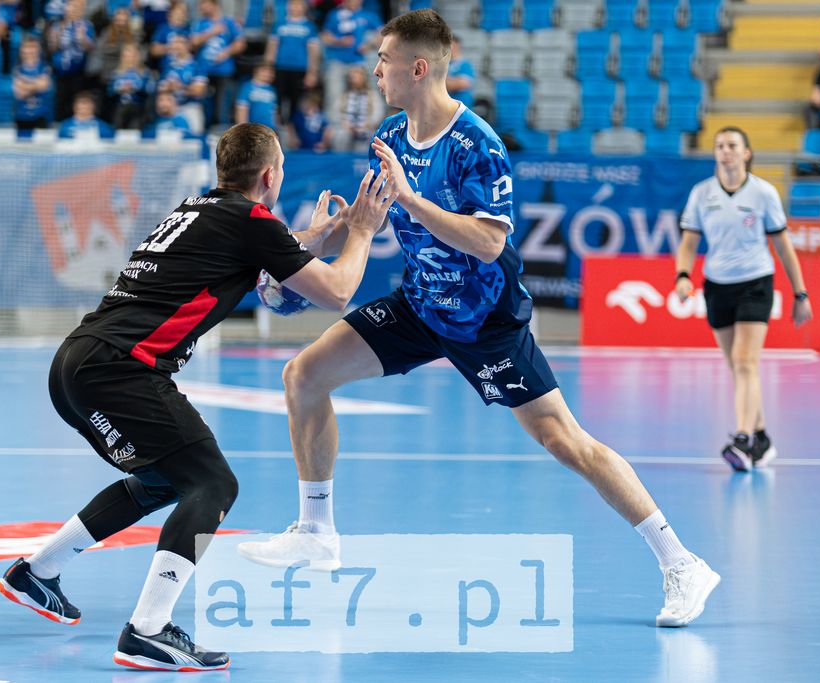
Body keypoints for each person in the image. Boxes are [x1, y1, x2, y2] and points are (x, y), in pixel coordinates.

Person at [236, 9, 720, 629]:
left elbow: (490, 243)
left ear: (418, 67)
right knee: (304, 375)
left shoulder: (477, 144)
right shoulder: (389, 133)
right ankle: (316, 532)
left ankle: (681, 562)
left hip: (486, 319)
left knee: (564, 440)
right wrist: (316, 238)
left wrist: (413, 200)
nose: (375, 70)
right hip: (420, 304)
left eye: (384, 59)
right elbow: (369, 218)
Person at [0, 122, 396, 671]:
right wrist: (363, 231)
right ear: (270, 176)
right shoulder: (251, 222)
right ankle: (147, 631)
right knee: (213, 484)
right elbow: (337, 292)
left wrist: (319, 238)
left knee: (163, 480)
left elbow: (270, 252)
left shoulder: (198, 210)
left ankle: (37, 572)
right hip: (122, 370)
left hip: (78, 363)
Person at [674, 126, 813, 472]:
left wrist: (800, 293)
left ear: (746, 153)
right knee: (738, 366)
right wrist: (683, 275)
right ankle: (762, 437)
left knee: (745, 360)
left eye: (732, 145)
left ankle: (743, 439)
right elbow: (689, 242)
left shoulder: (764, 193)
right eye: (720, 145)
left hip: (755, 282)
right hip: (717, 285)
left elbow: (783, 247)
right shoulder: (701, 193)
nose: (725, 151)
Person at [264, 0, 321, 124]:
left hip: (300, 69)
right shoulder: (279, 24)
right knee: (277, 100)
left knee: (296, 102)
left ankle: (293, 129)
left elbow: (313, 52)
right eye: (292, 4)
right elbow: (272, 47)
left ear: (304, 7)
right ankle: (276, 127)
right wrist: (268, 67)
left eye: (299, 5)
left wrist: (312, 72)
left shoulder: (310, 27)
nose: (295, 7)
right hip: (280, 67)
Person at [191, 0, 246, 127]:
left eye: (204, 4)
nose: (201, 7)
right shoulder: (200, 23)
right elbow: (193, 42)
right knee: (205, 107)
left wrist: (226, 52)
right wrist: (212, 32)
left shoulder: (229, 22)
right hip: (203, 73)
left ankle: (222, 133)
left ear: (214, 4)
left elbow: (241, 43)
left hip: (223, 71)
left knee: (222, 107)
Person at [47, 0, 96, 121]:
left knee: (75, 101)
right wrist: (55, 39)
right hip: (60, 72)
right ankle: (60, 125)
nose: (73, 10)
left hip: (78, 73)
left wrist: (82, 38)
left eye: (76, 7)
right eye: (71, 7)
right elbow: (52, 48)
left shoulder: (86, 25)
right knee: (60, 101)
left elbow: (90, 47)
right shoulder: (57, 26)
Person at [12, 35, 54, 131]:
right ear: (22, 50)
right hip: (22, 116)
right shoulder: (17, 69)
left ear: (39, 49)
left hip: (41, 116)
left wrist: (25, 82)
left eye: (33, 47)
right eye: (27, 47)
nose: (30, 50)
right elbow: (20, 93)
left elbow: (44, 85)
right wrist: (36, 83)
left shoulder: (45, 67)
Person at [332, 64, 378, 150]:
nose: (355, 77)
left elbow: (378, 113)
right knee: (340, 135)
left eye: (358, 73)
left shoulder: (373, 95)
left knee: (370, 137)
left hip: (366, 128)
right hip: (345, 129)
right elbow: (335, 113)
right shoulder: (343, 95)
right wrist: (344, 124)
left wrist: (367, 124)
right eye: (353, 74)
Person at [235, 62, 279, 129]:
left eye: (271, 72)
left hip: (270, 129)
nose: (268, 74)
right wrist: (243, 129)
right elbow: (241, 108)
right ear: (256, 72)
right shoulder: (247, 87)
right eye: (264, 71)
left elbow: (274, 111)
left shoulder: (272, 89)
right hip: (253, 128)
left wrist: (277, 127)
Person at [445, 34, 475, 109]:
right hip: (447, 107)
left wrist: (441, 82)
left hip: (461, 108)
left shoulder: (465, 64)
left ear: (457, 46)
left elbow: (462, 84)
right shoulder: (444, 65)